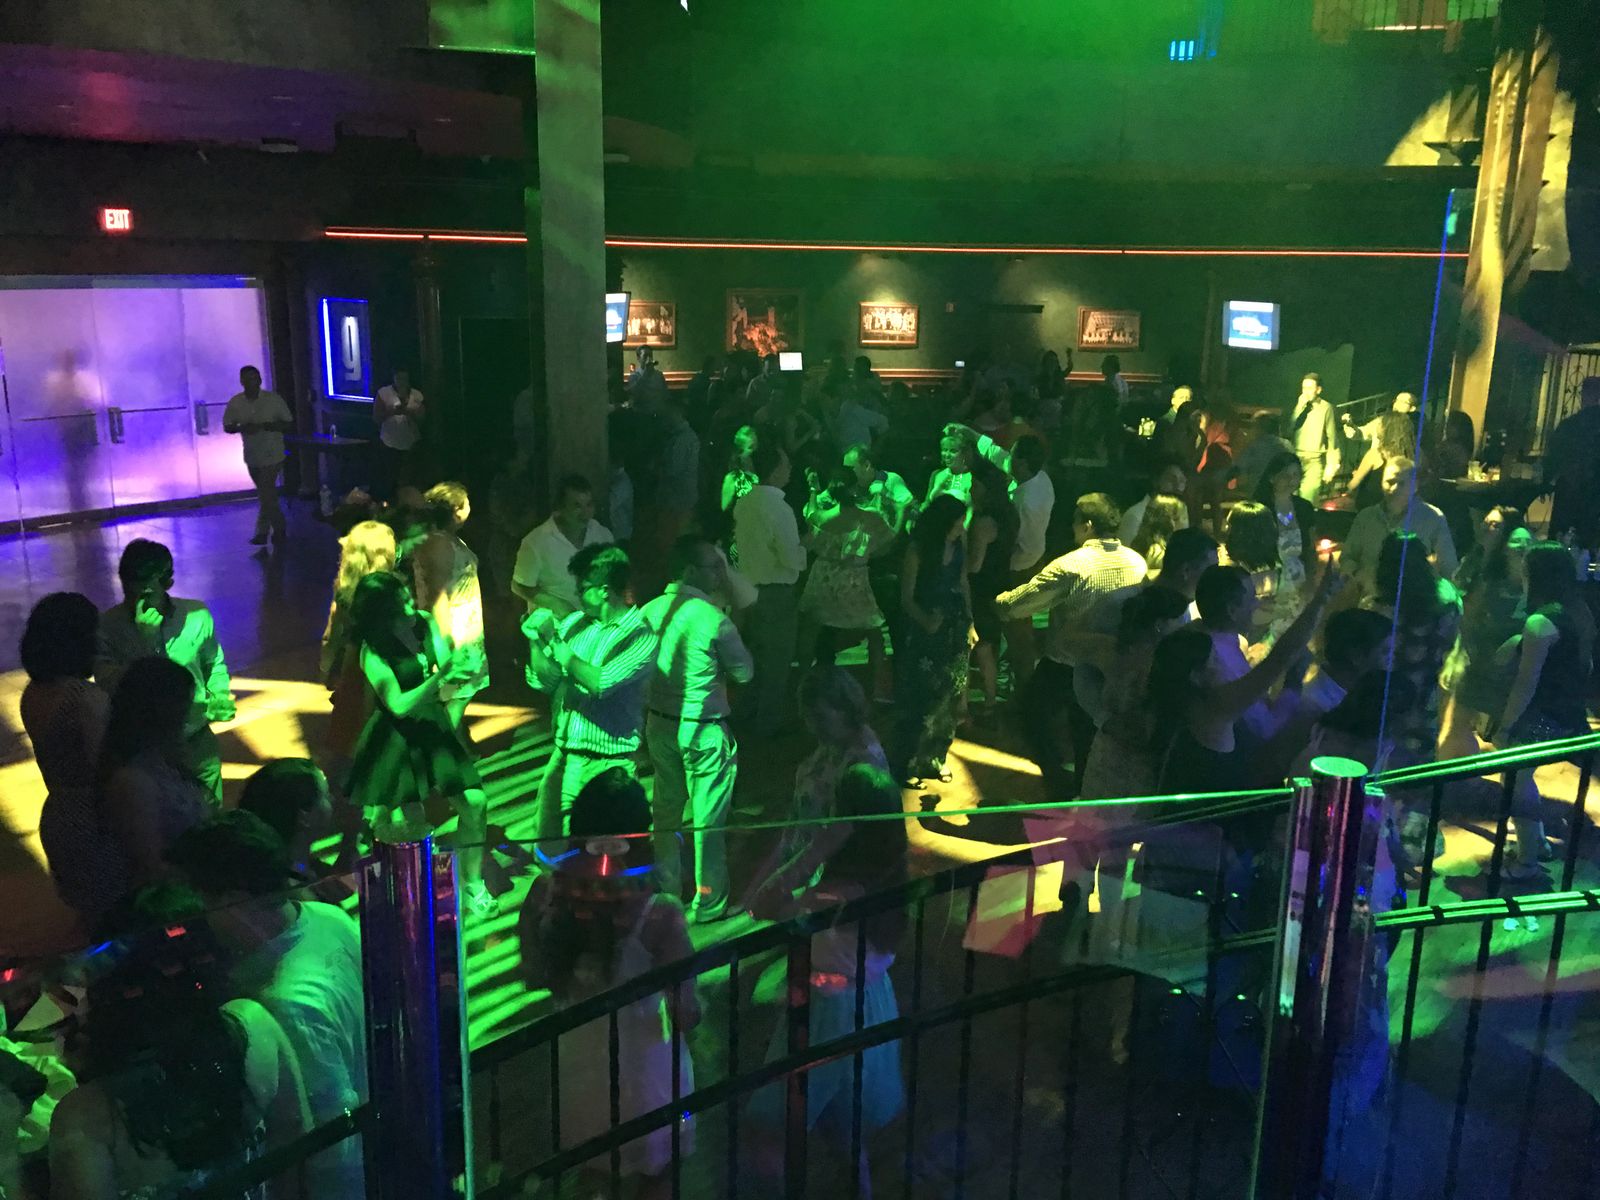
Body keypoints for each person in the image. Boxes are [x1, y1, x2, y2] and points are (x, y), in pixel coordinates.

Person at [168, 811, 367, 1199]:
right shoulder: (328, 917)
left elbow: (332, 1146)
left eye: (198, 906)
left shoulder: (285, 1006)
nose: (189, 922)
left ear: (233, 903)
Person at [518, 769, 699, 1193]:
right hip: (647, 1078)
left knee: (594, 1178)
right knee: (659, 1178)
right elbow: (687, 1013)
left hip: (579, 1078)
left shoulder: (543, 894)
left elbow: (535, 975)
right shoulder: (660, 912)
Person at [47, 926, 312, 1200]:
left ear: (106, 1002)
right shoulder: (254, 1024)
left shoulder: (85, 1115)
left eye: (80, 994)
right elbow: (296, 1146)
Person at [745, 764, 907, 1192]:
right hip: (867, 1002)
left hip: (828, 1015)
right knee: (844, 1132)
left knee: (768, 1133)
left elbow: (762, 904)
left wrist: (817, 848)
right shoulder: (887, 876)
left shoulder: (838, 893)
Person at [344, 571, 495, 914]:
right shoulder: (372, 650)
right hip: (396, 740)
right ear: (383, 613)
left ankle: (472, 883)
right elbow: (397, 705)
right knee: (411, 821)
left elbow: (445, 667)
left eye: (409, 595)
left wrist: (461, 666)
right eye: (402, 603)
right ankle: (414, 893)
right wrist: (441, 677)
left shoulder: (424, 623)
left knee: (475, 803)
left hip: (431, 727)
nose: (412, 604)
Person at [996, 493, 1147, 797]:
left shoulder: (1072, 564)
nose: (1071, 527)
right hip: (1113, 662)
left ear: (1087, 525)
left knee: (1030, 714)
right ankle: (1083, 793)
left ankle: (1059, 783)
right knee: (1087, 735)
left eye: (1075, 521)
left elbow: (1022, 603)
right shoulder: (1136, 561)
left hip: (1067, 663)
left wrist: (998, 603)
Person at [1151, 564, 1343, 793]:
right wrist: (1294, 680)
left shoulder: (1195, 637)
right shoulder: (1217, 691)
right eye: (1252, 598)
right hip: (1229, 787)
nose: (1257, 604)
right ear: (1232, 610)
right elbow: (1279, 664)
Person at [641, 536, 753, 925]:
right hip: (703, 729)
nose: (720, 574)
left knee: (666, 812)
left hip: (659, 723)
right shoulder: (713, 619)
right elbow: (745, 672)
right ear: (690, 570)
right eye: (713, 567)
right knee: (708, 822)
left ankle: (668, 889)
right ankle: (708, 903)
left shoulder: (649, 611)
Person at [526, 544, 656, 847]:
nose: (577, 594)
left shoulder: (640, 636)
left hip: (607, 766)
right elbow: (546, 681)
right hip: (563, 756)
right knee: (547, 846)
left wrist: (561, 650)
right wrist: (536, 641)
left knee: (600, 849)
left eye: (582, 588)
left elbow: (602, 683)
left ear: (604, 590)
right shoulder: (575, 625)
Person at [96, 538, 234, 803]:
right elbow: (108, 685)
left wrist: (219, 694)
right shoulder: (109, 627)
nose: (137, 602)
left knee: (210, 815)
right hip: (144, 751)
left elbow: (214, 663)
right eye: (129, 592)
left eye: (146, 593)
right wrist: (144, 646)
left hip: (196, 741)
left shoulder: (196, 615)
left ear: (168, 582)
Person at [1490, 542, 1597, 877]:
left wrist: (1506, 727)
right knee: (1521, 778)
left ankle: (1527, 862)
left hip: (1543, 717)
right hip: (1569, 713)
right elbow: (1586, 666)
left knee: (1516, 779)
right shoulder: (1579, 612)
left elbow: (1526, 684)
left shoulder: (1539, 623)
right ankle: (1535, 843)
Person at [21, 593, 122, 926]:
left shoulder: (32, 693)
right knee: (118, 916)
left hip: (59, 814)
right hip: (96, 823)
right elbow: (106, 773)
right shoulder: (85, 698)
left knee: (91, 919)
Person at [94, 656, 212, 894]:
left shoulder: (164, 760)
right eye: (183, 707)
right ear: (162, 713)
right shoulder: (131, 782)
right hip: (178, 900)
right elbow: (152, 868)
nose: (188, 717)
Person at [891, 494, 974, 786]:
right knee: (920, 697)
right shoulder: (918, 549)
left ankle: (936, 758)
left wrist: (970, 622)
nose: (961, 529)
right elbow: (906, 597)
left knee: (949, 697)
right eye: (957, 523)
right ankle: (908, 762)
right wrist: (926, 621)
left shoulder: (958, 545)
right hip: (924, 629)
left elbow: (962, 582)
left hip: (953, 627)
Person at [1439, 507, 1533, 759]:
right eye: (1486, 522)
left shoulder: (1536, 587)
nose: (1521, 546)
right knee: (1455, 725)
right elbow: (1468, 614)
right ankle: (1451, 773)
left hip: (1511, 672)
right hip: (1478, 662)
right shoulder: (1487, 575)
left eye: (1495, 525)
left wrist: (1516, 642)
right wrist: (1459, 652)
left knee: (1505, 737)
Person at [1365, 532, 1462, 772]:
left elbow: (1372, 654)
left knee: (1385, 756)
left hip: (1390, 692)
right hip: (1429, 687)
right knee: (1422, 752)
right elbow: (1453, 638)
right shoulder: (1448, 596)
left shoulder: (1379, 607)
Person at [732, 442, 807, 736]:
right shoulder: (780, 507)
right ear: (775, 470)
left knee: (755, 659)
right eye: (785, 464)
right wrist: (807, 546)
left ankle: (744, 715)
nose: (789, 469)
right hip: (776, 592)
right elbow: (790, 558)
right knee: (776, 662)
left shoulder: (744, 502)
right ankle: (767, 725)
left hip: (748, 589)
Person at [799, 467, 895, 690]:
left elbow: (810, 517)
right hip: (854, 578)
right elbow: (887, 543)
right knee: (874, 630)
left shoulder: (822, 518)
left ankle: (803, 682)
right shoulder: (871, 517)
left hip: (824, 576)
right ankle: (877, 686)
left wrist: (813, 490)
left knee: (811, 628)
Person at [320, 520, 397, 775]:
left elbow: (332, 633)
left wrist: (327, 666)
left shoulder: (345, 590)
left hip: (353, 667)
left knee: (350, 724)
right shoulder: (394, 587)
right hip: (387, 666)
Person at [413, 481, 489, 735]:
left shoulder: (444, 539)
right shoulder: (439, 543)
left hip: (463, 628)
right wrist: (445, 641)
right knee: (455, 696)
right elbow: (437, 595)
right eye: (466, 504)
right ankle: (444, 749)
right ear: (457, 509)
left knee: (457, 695)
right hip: (455, 630)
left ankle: (450, 745)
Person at [20, 591, 107, 797]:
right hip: (93, 810)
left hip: (58, 806)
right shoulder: (84, 698)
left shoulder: (32, 691)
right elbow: (108, 769)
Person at [1339, 458, 1458, 600]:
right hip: (1369, 600)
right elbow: (1347, 557)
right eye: (1389, 482)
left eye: (1401, 483)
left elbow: (1448, 567)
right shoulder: (1366, 517)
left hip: (1414, 602)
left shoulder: (1432, 518)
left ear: (1415, 486)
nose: (1394, 488)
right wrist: (1359, 576)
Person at [511, 474, 615, 620]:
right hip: (556, 627)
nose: (585, 512)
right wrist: (557, 605)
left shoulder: (603, 535)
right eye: (577, 506)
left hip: (598, 622)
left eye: (589, 504)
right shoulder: (536, 542)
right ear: (560, 508)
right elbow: (519, 586)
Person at [966, 459, 1020, 716]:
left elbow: (974, 565)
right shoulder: (1009, 512)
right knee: (989, 645)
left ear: (987, 488)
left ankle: (965, 705)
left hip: (980, 588)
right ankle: (990, 700)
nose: (970, 490)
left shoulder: (984, 521)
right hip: (1000, 582)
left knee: (976, 646)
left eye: (975, 485)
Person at [221, 364, 293, 546]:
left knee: (266, 492)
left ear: (260, 379)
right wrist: (242, 428)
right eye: (248, 379)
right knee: (266, 494)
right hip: (252, 455)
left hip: (273, 453)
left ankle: (269, 531)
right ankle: (274, 529)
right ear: (242, 381)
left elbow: (288, 422)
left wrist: (268, 426)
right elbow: (228, 426)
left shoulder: (273, 400)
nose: (252, 382)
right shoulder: (236, 402)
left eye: (255, 378)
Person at [238, 758, 337, 878]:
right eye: (326, 795)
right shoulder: (293, 880)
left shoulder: (255, 866)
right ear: (304, 816)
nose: (332, 799)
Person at [1544, 375, 1600, 547]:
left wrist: (1547, 480)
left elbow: (1554, 454)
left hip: (1569, 487)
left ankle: (1557, 558)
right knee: (1587, 536)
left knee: (1561, 533)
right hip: (1593, 491)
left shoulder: (1570, 425)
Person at [1348, 393, 1419, 505]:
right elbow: (1362, 433)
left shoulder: (1375, 454)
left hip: (1372, 504)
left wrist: (1359, 476)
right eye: (1396, 400)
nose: (1397, 404)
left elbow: (1352, 486)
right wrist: (1351, 426)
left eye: (1403, 402)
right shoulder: (1414, 454)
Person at [373, 367, 426, 498]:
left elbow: (423, 418)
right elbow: (376, 417)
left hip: (411, 442)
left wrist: (410, 413)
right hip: (389, 443)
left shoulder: (417, 395)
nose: (402, 381)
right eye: (399, 378)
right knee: (390, 475)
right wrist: (391, 412)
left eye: (404, 378)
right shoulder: (384, 394)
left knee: (409, 475)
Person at [842, 442, 915, 535]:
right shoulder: (850, 491)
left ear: (867, 465)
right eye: (844, 469)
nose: (845, 474)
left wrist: (887, 495)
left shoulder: (890, 480)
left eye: (850, 469)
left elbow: (911, 507)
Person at [1289, 372, 1339, 502]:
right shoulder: (1297, 406)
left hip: (1314, 461)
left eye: (1310, 388)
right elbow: (1289, 428)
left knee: (1308, 498)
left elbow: (1332, 438)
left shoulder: (1326, 408)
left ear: (1318, 390)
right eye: (1304, 388)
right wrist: (1299, 407)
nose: (1306, 392)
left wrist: (1331, 465)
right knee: (1290, 498)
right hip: (1295, 459)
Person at [1147, 526, 1219, 615]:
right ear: (1186, 571)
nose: (1216, 577)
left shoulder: (1179, 609)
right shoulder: (1142, 612)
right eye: (1211, 570)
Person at [1118, 461, 1190, 545]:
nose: (1177, 487)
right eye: (1171, 480)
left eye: (1181, 481)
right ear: (1155, 481)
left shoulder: (1181, 515)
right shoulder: (1135, 516)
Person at [1127, 494, 1189, 576]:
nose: (1186, 523)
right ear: (1170, 522)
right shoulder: (1159, 556)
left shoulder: (1139, 547)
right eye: (1183, 518)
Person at [923, 433, 974, 506]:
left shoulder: (973, 477)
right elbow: (927, 503)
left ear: (964, 454)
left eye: (953, 451)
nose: (947, 455)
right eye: (945, 450)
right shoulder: (936, 474)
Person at [720, 424, 760, 515]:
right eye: (750, 447)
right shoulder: (732, 476)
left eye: (754, 446)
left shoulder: (751, 463)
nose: (752, 451)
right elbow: (725, 506)